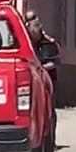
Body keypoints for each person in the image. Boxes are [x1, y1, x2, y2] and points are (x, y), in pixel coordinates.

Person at [25, 10, 60, 140]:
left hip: (48, 81)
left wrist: (40, 69)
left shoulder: (49, 43)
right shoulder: (26, 43)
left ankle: (51, 139)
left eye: (36, 30)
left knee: (50, 111)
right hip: (31, 82)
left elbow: (54, 62)